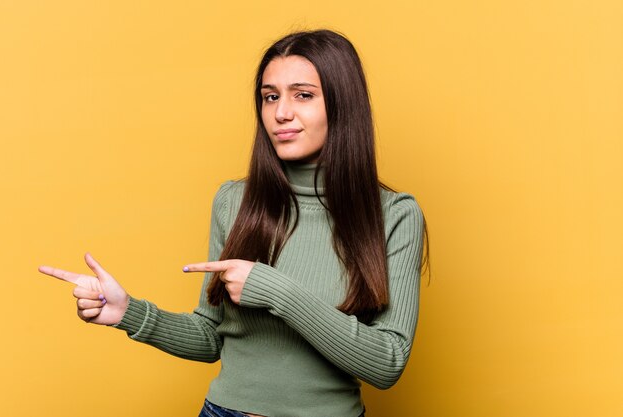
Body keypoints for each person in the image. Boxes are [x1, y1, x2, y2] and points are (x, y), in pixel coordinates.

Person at [39, 29, 427, 417]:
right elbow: (211, 336)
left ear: (343, 105)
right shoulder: (234, 201)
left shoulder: (395, 215)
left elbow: (387, 362)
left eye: (303, 95)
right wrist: (129, 313)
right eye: (270, 96)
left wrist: (274, 290)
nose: (281, 113)